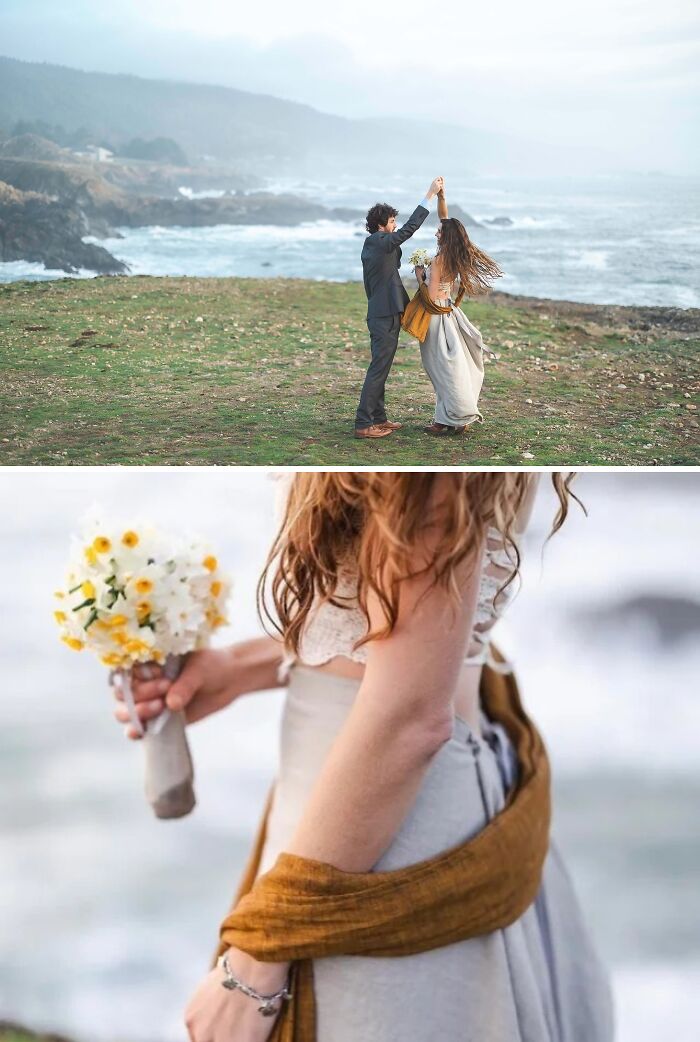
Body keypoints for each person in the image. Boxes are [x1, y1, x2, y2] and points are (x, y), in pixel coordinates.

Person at [112, 472, 614, 1042]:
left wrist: (254, 962)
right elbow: (413, 629)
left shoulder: (421, 458)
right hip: (361, 803)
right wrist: (242, 667)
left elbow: (409, 717)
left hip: (382, 832)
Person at [354, 178, 444, 439]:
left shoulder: (378, 245)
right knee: (378, 370)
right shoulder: (378, 241)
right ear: (381, 226)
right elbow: (409, 229)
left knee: (381, 368)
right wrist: (429, 195)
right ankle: (363, 424)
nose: (395, 225)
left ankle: (379, 418)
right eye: (392, 221)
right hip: (383, 316)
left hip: (385, 313)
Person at [413, 185, 503, 435]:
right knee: (446, 366)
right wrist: (441, 197)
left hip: (436, 315)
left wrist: (420, 274)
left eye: (438, 231)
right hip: (449, 311)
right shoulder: (451, 254)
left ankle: (456, 416)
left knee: (439, 368)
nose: (436, 232)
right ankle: (446, 418)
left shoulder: (439, 260)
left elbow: (430, 296)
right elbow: (445, 219)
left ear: (446, 236)